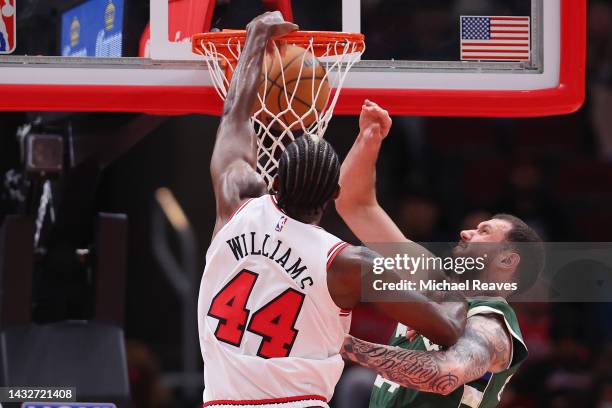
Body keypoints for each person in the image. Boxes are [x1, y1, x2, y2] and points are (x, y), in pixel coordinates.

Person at [197, 12, 466, 408]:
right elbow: (447, 329)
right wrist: (461, 298)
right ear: (334, 192)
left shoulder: (235, 204)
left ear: (276, 179)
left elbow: (233, 115)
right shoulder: (347, 263)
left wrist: (255, 38)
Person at [336, 100, 545, 408]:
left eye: (483, 231)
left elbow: (442, 375)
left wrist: (339, 343)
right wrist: (368, 140)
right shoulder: (431, 279)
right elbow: (355, 205)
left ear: (507, 259)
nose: (466, 232)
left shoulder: (493, 321)